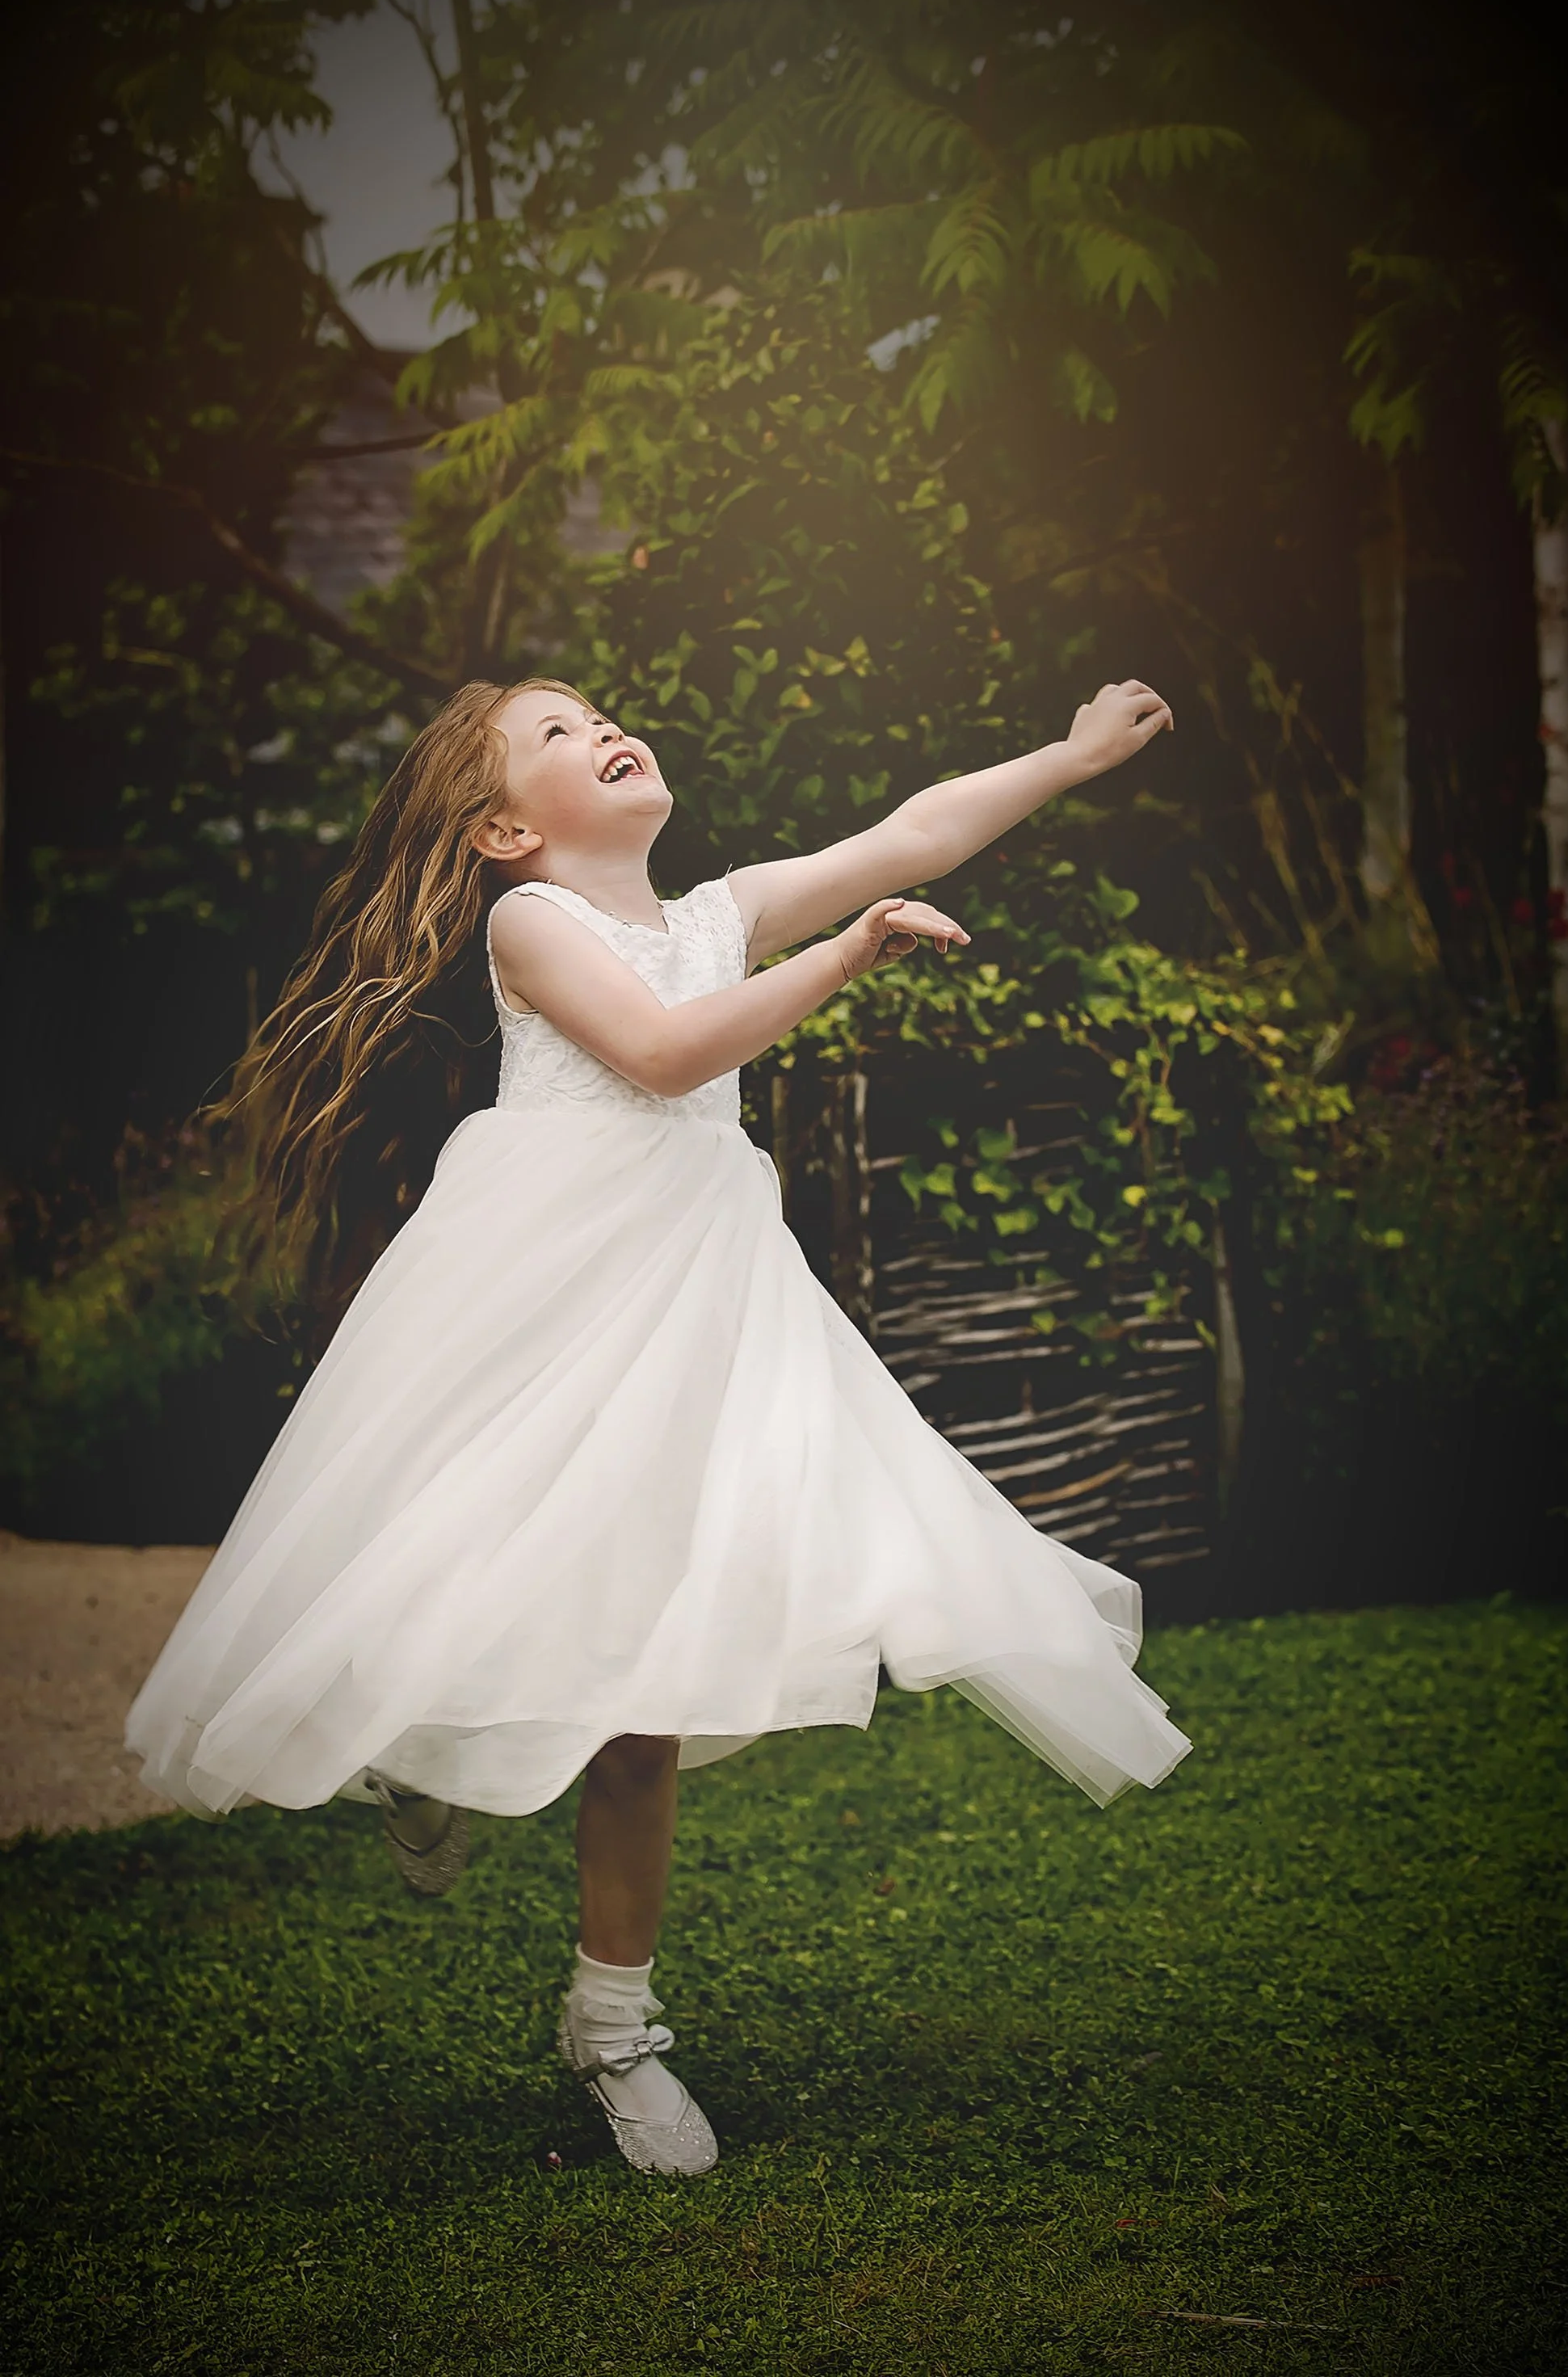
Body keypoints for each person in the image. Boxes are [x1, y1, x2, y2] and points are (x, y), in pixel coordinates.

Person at [127, 673, 1191, 2179]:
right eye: (554, 735)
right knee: (466, 1552)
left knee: (647, 1686)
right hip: (540, 1301)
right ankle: (418, 1749)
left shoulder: (715, 914)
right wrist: (847, 952)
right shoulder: (532, 923)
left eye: (597, 713)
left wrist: (1068, 760)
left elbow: (911, 834)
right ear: (504, 829)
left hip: (697, 1307)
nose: (600, 731)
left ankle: (611, 2025)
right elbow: (668, 1053)